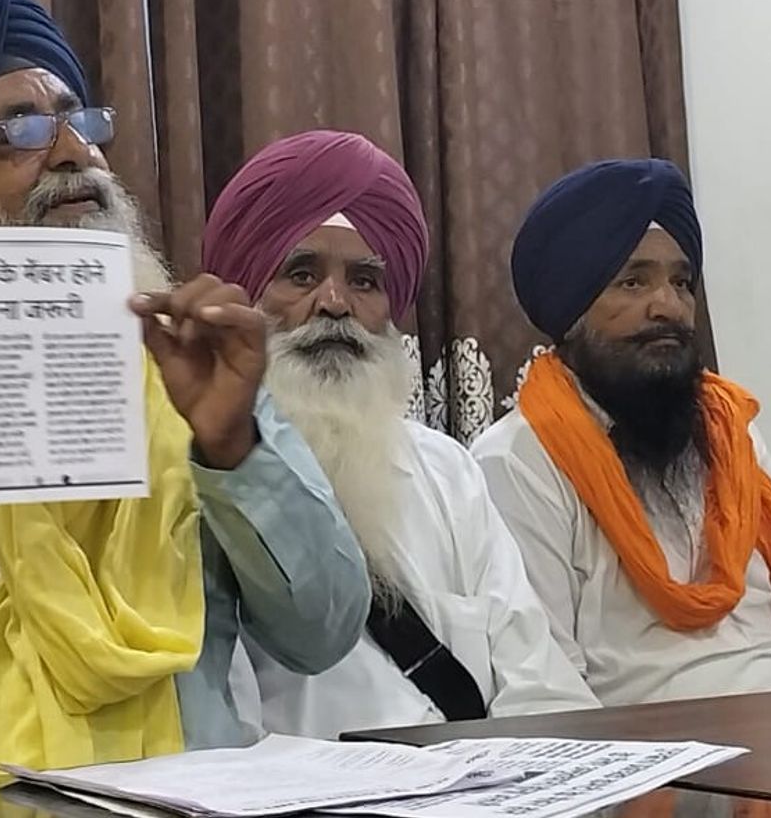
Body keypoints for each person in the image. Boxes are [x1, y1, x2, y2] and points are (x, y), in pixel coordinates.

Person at [0, 0, 370, 791]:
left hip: (185, 796)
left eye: (78, 121)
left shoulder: (188, 358)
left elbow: (322, 633)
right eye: (19, 133)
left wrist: (234, 448)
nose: (75, 154)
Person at [204, 130, 599, 738]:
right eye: (301, 274)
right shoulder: (207, 481)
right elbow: (221, 727)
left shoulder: (446, 471)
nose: (334, 304)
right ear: (246, 292)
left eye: (364, 281)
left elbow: (539, 682)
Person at [472, 159, 771, 707]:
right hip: (647, 748)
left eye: (681, 282)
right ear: (572, 312)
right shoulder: (518, 460)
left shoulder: (730, 431)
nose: (668, 306)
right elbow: (545, 685)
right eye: (633, 281)